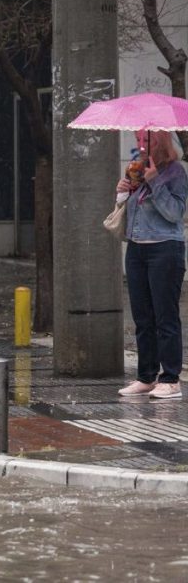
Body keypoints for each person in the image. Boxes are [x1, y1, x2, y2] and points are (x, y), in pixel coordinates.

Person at [117, 130, 187, 399]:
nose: (141, 144)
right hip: (137, 248)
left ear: (161, 141)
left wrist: (154, 181)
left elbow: (175, 213)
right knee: (142, 317)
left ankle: (170, 379)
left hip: (164, 248)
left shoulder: (175, 172)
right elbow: (132, 215)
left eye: (147, 139)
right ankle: (146, 376)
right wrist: (123, 193)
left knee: (165, 316)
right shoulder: (138, 168)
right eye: (138, 140)